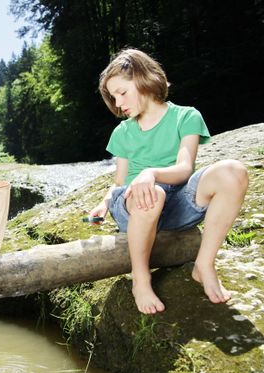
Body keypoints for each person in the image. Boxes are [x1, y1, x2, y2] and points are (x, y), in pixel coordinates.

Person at [90, 49, 248, 315]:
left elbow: (185, 168)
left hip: (176, 203)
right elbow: (119, 181)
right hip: (132, 207)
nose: (118, 104)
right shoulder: (122, 132)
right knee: (151, 193)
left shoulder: (186, 116)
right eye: (113, 97)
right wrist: (104, 204)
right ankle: (140, 279)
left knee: (233, 171)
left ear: (144, 79)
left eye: (122, 92)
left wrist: (151, 172)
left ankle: (204, 265)